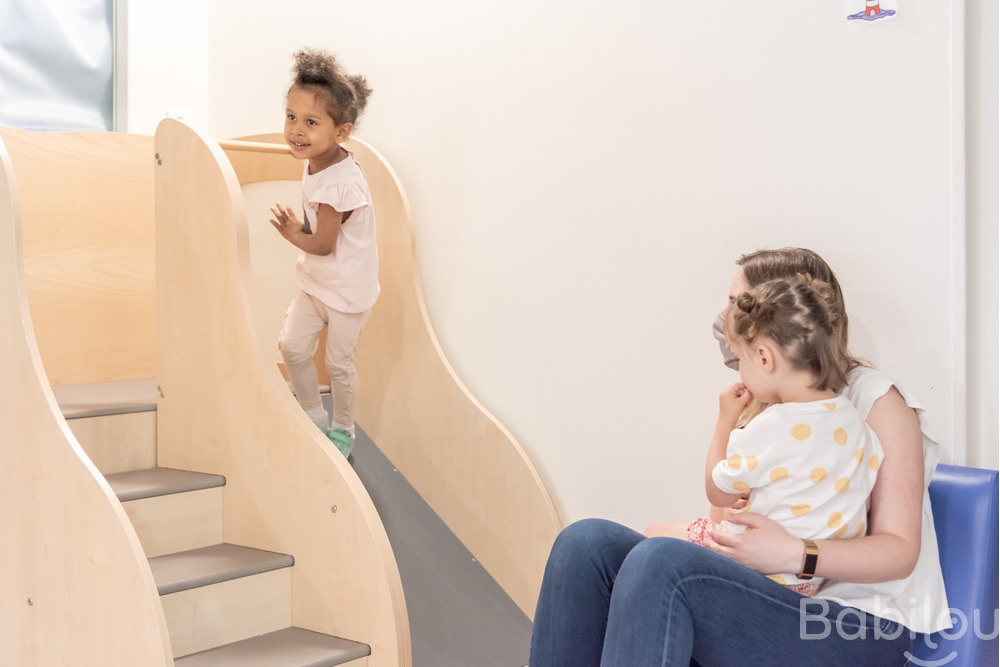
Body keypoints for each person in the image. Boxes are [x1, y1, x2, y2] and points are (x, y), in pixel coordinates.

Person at [529, 248, 950, 665]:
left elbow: (899, 552)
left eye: (735, 303)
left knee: (662, 562)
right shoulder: (773, 405)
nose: (725, 317)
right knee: (585, 544)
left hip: (855, 624)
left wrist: (794, 552)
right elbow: (724, 522)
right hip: (773, 594)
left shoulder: (875, 397)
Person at [696, 275, 882, 597]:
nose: (740, 371)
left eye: (741, 360)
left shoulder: (771, 427)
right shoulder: (854, 418)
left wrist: (724, 422)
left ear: (764, 358)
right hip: (810, 581)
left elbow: (718, 493)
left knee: (654, 536)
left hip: (757, 572)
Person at [269, 48, 377, 459]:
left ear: (341, 132)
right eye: (291, 117)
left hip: (347, 292)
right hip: (317, 283)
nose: (296, 131)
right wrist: (301, 230)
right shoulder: (316, 156)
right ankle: (313, 416)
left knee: (337, 365)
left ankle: (343, 429)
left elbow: (323, 244)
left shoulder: (340, 183)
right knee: (293, 347)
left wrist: (291, 231)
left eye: (311, 122)